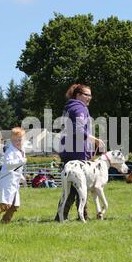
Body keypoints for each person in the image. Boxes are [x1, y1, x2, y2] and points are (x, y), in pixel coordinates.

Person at [54, 84, 105, 221]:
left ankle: (70, 215)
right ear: (78, 95)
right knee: (77, 187)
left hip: (69, 151)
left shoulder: (71, 107)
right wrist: (95, 139)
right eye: (86, 95)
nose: (89, 97)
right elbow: (79, 129)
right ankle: (68, 216)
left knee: (71, 187)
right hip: (76, 152)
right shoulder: (79, 108)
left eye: (90, 95)